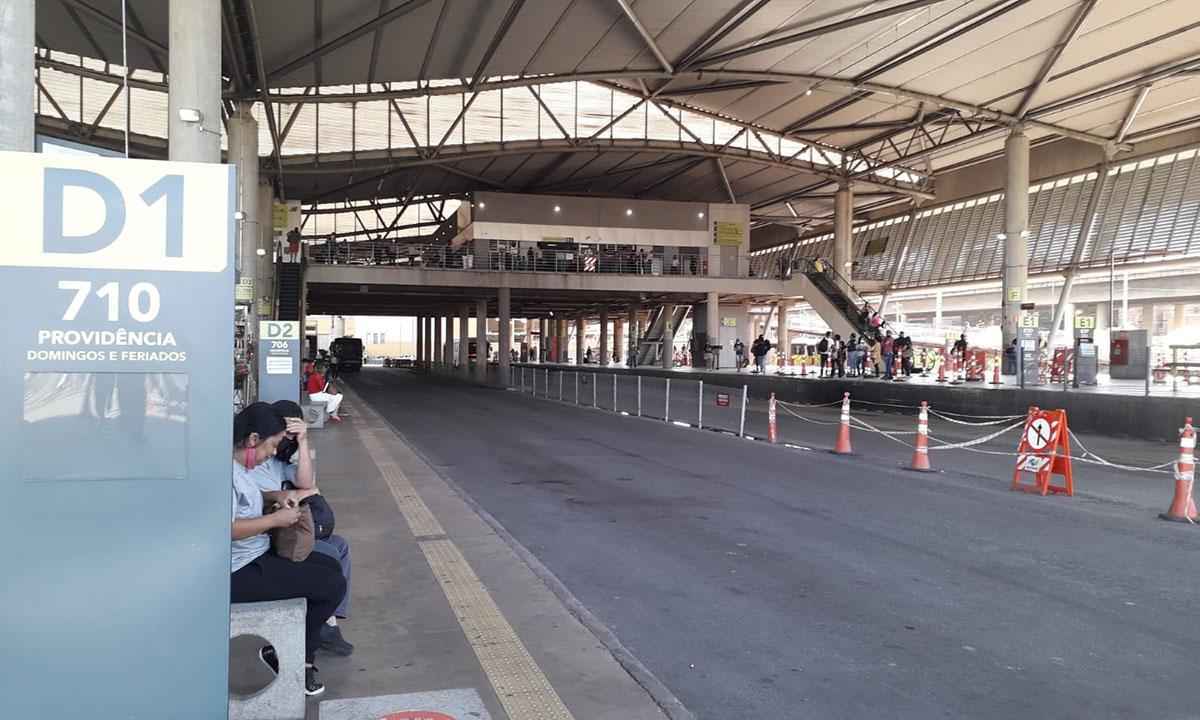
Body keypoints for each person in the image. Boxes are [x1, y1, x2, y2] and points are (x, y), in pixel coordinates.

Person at [230, 403, 347, 697]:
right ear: (253, 439)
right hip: (237, 571)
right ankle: (299, 660)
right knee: (331, 584)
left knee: (330, 566)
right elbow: (226, 529)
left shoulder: (239, 467)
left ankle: (290, 649)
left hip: (254, 556)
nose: (273, 453)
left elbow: (250, 496)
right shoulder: (226, 472)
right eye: (271, 445)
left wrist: (275, 495)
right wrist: (276, 519)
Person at [259, 400, 355, 656]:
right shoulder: (258, 458)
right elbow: (264, 494)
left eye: (291, 434)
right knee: (329, 557)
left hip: (285, 529)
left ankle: (328, 623)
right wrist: (290, 494)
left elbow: (305, 481)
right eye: (284, 434)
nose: (284, 441)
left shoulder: (280, 459)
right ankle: (324, 628)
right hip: (269, 538)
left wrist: (302, 442)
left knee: (339, 546)